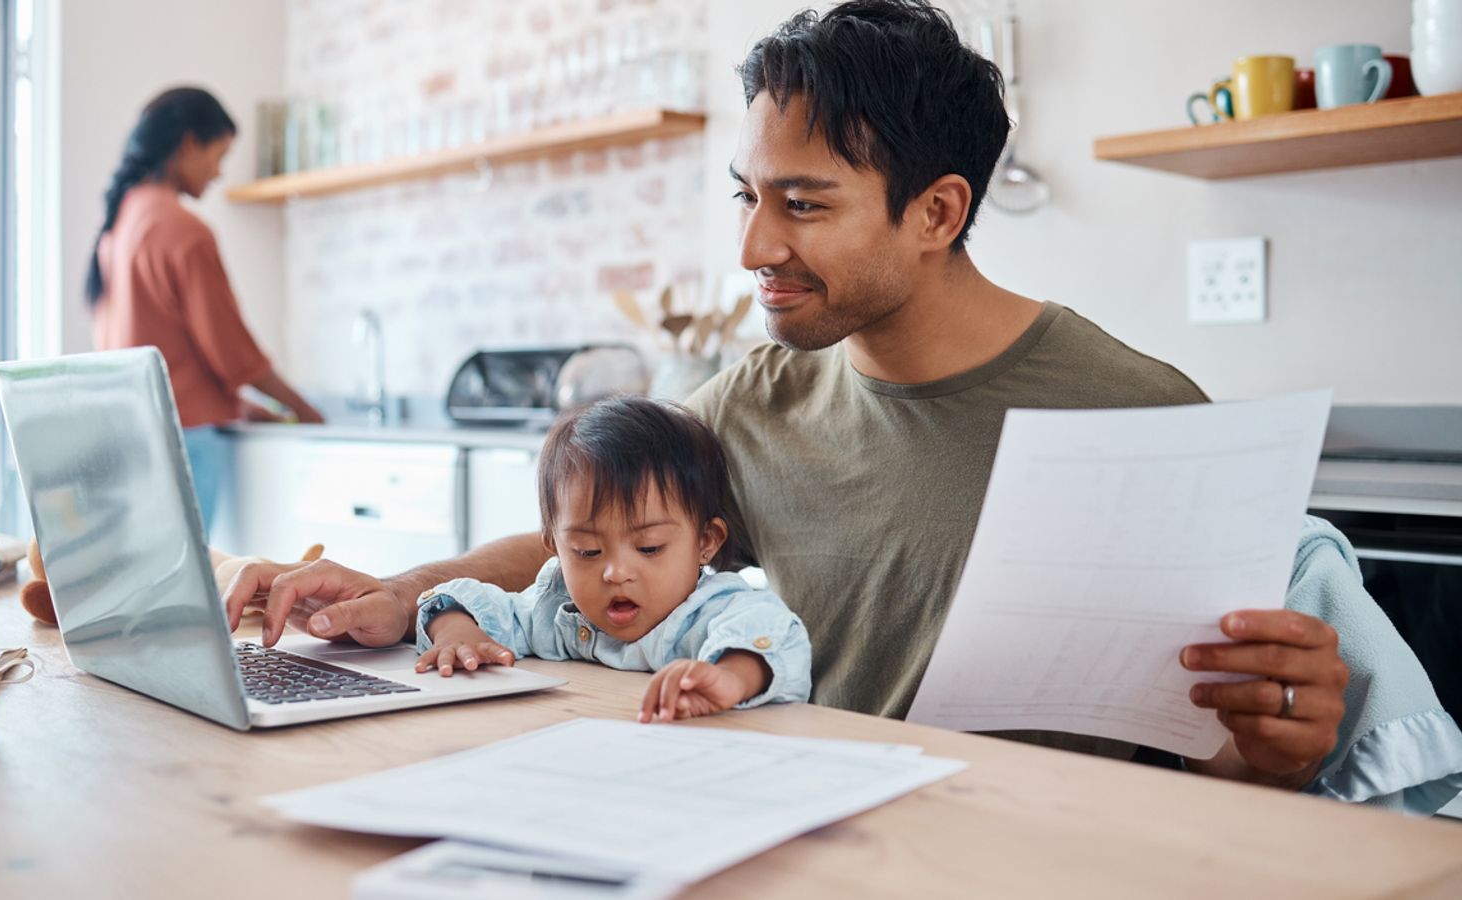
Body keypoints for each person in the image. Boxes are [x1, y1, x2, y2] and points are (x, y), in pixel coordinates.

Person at [222, 2, 1462, 812]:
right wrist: (401, 591)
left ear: (937, 212)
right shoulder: (755, 398)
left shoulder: (1141, 417)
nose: (754, 245)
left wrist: (1283, 751)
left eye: (803, 205)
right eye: (747, 196)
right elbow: (594, 536)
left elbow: (1231, 777)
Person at [410, 396, 810, 721]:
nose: (616, 573)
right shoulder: (559, 611)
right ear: (555, 546)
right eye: (587, 551)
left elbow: (772, 634)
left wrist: (728, 678)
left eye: (649, 548)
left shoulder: (712, 611)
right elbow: (471, 603)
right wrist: (456, 633)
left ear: (706, 542)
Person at [88, 86, 323, 531]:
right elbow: (233, 354)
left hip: (130, 432)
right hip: (185, 439)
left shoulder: (118, 223)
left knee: (153, 569)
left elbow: (155, 345)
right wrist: (307, 413)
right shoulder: (183, 229)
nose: (218, 173)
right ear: (190, 143)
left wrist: (233, 403)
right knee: (195, 569)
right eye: (219, 156)